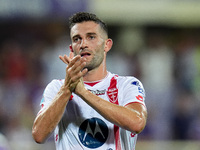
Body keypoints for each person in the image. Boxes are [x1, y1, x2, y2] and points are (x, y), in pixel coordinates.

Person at [32, 12, 147, 150]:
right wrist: (67, 89)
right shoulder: (57, 88)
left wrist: (83, 92)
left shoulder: (127, 85)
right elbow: (38, 135)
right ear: (71, 48)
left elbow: (137, 123)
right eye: (77, 39)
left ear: (107, 45)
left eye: (91, 37)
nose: (83, 44)